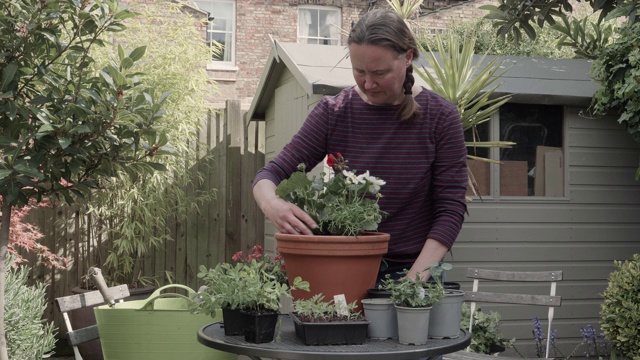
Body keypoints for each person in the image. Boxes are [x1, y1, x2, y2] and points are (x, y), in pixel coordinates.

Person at [252, 8, 467, 282]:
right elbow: (268, 175)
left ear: (408, 57)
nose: (368, 83)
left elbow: (450, 209)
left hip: (415, 269)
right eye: (358, 71)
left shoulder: (441, 117)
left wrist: (413, 281)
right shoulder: (334, 112)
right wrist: (273, 204)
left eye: (379, 72)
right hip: (346, 266)